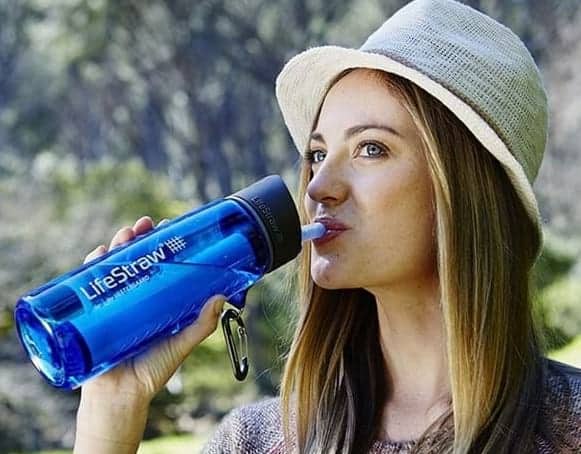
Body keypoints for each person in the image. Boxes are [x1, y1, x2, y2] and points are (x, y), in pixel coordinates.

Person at [73, 0, 581, 453]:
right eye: (318, 154)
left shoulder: (568, 428)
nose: (318, 188)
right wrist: (111, 413)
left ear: (465, 192)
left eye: (371, 148)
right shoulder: (254, 443)